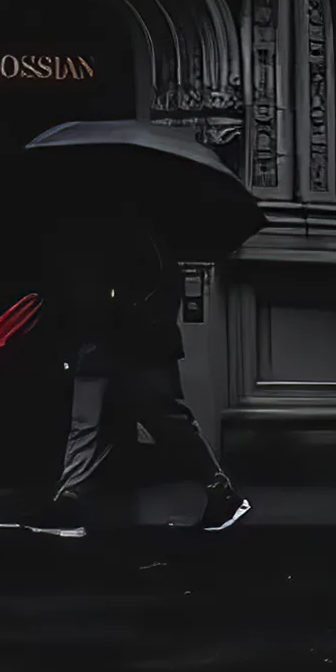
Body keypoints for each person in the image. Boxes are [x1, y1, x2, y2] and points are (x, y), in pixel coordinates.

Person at [30, 195, 247, 537]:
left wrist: (120, 316)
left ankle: (221, 491)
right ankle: (67, 499)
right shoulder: (107, 240)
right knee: (88, 422)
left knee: (165, 422)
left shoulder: (145, 241)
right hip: (104, 343)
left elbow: (155, 295)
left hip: (139, 348)